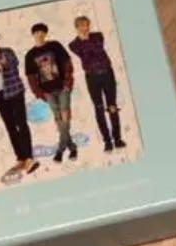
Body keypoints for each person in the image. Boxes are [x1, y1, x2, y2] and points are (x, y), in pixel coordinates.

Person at [0, 33, 38, 176]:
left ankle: (29, 158)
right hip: (0, 95)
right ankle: (21, 158)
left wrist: (0, 62)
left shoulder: (7, 52)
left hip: (14, 91)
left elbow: (13, 64)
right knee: (10, 127)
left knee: (21, 124)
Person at [67, 16, 124, 151]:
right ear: (76, 28)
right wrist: (86, 44)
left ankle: (117, 139)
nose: (85, 28)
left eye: (86, 25)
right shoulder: (73, 45)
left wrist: (86, 43)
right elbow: (85, 57)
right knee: (98, 108)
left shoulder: (98, 36)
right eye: (81, 26)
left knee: (112, 105)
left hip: (107, 73)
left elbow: (98, 50)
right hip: (92, 78)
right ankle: (107, 141)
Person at [25, 23, 76, 162]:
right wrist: (39, 93)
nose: (39, 34)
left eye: (42, 32)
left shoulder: (55, 45)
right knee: (58, 117)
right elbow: (31, 78)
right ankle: (71, 146)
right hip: (47, 91)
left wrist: (68, 83)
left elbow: (67, 63)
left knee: (65, 114)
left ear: (45, 33)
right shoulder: (30, 55)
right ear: (33, 34)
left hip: (62, 87)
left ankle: (60, 149)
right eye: (37, 32)